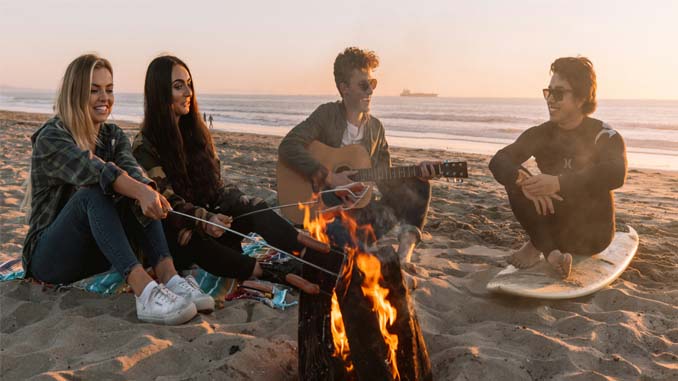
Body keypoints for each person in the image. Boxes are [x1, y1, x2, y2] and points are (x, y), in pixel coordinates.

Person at [22, 54, 213, 325]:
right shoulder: (51, 137)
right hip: (50, 258)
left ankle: (170, 277)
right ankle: (145, 292)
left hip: (96, 254)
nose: (105, 98)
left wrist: (147, 190)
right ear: (75, 93)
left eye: (109, 90)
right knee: (94, 193)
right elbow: (96, 170)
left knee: (138, 188)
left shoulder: (113, 136)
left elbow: (131, 170)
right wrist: (140, 190)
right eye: (94, 90)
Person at [133, 55, 305, 282]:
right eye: (178, 86)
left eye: (189, 84)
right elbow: (164, 201)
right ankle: (271, 272)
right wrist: (203, 219)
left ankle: (306, 253)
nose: (188, 92)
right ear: (159, 92)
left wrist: (230, 207)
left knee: (253, 206)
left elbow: (217, 186)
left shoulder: (196, 133)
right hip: (174, 233)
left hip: (209, 223)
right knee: (190, 237)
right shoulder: (144, 145)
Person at [278, 46, 439, 244]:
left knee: (420, 187)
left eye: (372, 83)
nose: (371, 90)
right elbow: (289, 146)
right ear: (344, 88)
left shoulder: (376, 129)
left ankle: (404, 255)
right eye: (364, 85)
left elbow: (385, 182)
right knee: (339, 239)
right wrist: (330, 177)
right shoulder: (326, 115)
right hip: (322, 213)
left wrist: (415, 174)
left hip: (359, 216)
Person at [488, 57, 627, 278]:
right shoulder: (542, 134)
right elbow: (499, 160)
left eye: (559, 93)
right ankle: (552, 253)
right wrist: (522, 180)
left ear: (581, 98)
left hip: (592, 233)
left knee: (539, 183)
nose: (550, 99)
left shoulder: (603, 134)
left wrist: (557, 183)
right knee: (516, 180)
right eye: (548, 92)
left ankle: (536, 245)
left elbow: (616, 173)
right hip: (554, 227)